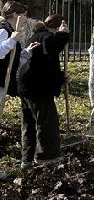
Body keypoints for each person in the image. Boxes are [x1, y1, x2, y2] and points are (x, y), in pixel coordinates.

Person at [16, 14, 71, 167]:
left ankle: (27, 158)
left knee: (29, 123)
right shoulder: (45, 37)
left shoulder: (36, 36)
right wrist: (63, 34)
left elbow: (44, 65)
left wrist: (60, 78)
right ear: (56, 26)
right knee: (46, 122)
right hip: (37, 89)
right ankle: (47, 156)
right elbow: (53, 48)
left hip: (28, 86)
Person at [0, 1, 29, 110]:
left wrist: (27, 52)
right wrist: (12, 40)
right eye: (24, 15)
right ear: (15, 15)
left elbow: (13, 57)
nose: (26, 19)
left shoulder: (12, 32)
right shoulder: (4, 31)